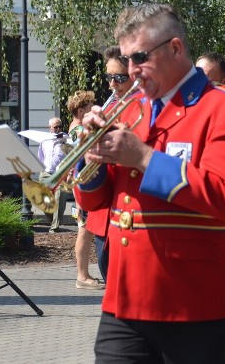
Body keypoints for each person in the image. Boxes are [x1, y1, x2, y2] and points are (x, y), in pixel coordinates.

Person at [74, 3, 225, 364]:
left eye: (139, 57)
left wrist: (142, 157)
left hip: (194, 302)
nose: (131, 72)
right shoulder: (127, 109)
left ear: (175, 48)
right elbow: (96, 202)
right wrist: (90, 158)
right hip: (124, 297)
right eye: (126, 60)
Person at [83, 45, 133, 282]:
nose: (112, 84)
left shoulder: (143, 107)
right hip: (103, 210)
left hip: (127, 210)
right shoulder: (109, 107)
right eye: (109, 77)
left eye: (119, 78)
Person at [64, 89, 105, 289]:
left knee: (85, 229)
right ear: (80, 111)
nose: (92, 111)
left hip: (80, 182)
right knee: (84, 230)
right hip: (81, 184)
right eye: (89, 109)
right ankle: (82, 275)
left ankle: (84, 274)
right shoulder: (77, 130)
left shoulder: (76, 128)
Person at [37, 116, 69, 233]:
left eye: (60, 126)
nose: (59, 129)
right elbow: (41, 157)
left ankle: (55, 226)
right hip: (46, 173)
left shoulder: (66, 139)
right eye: (56, 127)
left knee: (59, 198)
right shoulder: (44, 141)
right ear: (50, 128)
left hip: (61, 173)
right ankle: (53, 221)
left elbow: (71, 157)